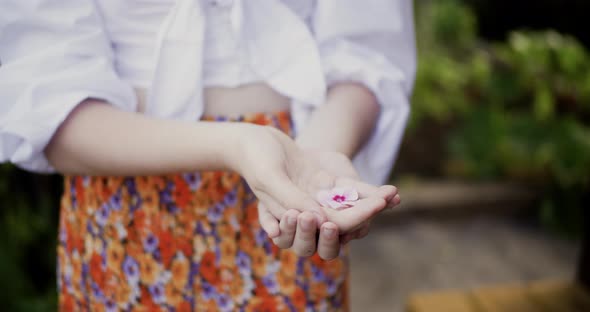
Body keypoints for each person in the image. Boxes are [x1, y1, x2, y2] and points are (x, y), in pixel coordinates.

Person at [0, 0, 415, 310]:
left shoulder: (297, 186)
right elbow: (51, 107)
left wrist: (317, 153)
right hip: (125, 210)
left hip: (286, 202)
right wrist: (238, 143)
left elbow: (365, 54)